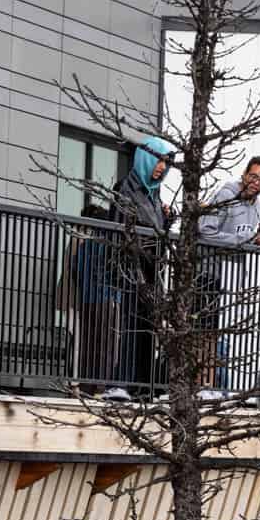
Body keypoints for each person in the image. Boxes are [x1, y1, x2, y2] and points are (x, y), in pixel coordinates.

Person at [197, 154, 260, 401]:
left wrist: (256, 238)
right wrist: (245, 240)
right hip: (209, 272)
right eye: (254, 176)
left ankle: (218, 385)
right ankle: (203, 386)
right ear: (244, 173)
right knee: (206, 332)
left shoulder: (257, 206)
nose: (257, 182)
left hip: (233, 276)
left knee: (224, 333)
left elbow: (247, 236)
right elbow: (206, 232)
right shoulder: (226, 195)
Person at [111, 134, 174, 398]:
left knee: (148, 327)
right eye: (158, 160)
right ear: (146, 158)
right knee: (130, 326)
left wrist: (168, 220)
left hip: (150, 270)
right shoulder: (126, 187)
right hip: (131, 267)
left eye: (166, 163)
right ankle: (121, 384)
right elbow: (122, 228)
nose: (162, 167)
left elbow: (157, 233)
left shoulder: (155, 195)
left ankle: (142, 386)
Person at [57, 200, 121, 393]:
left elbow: (76, 270)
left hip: (85, 299)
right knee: (105, 346)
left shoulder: (84, 244)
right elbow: (114, 274)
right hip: (103, 298)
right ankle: (100, 387)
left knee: (86, 344)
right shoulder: (105, 245)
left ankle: (85, 385)